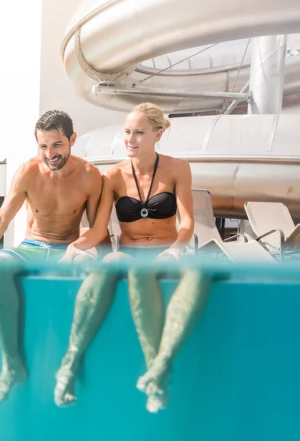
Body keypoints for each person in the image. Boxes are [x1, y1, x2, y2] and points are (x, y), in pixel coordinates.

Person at [54, 103, 211, 412]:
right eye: (127, 132)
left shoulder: (179, 168)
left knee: (199, 274)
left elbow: (188, 222)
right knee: (113, 264)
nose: (131, 139)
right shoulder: (113, 175)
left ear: (158, 134)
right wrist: (77, 246)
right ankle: (70, 363)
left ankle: (158, 368)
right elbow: (99, 229)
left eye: (139, 132)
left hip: (167, 251)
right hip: (128, 254)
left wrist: (176, 250)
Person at [0, 110, 103, 406]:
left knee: (92, 269)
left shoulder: (90, 176)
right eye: (43, 146)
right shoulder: (28, 172)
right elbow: (1, 221)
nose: (50, 154)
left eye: (56, 145)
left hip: (69, 248)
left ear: (72, 140)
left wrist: (81, 253)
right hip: (31, 246)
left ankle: (71, 365)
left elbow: (94, 231)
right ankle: (11, 364)